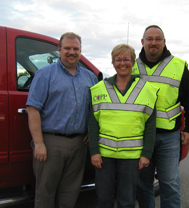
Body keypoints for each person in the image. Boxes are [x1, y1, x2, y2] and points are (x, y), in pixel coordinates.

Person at [26, 32, 98, 208]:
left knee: (70, 193)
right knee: (45, 193)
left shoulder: (90, 78)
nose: (71, 52)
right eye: (67, 48)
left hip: (79, 144)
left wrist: (90, 130)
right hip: (51, 144)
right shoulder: (45, 74)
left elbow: (94, 109)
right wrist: (39, 143)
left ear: (81, 51)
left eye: (76, 48)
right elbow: (33, 109)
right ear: (59, 50)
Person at [131, 25, 189, 208]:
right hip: (140, 136)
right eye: (149, 39)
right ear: (142, 42)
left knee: (170, 183)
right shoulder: (131, 66)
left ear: (164, 42)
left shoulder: (178, 65)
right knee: (143, 185)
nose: (154, 42)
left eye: (158, 39)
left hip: (168, 136)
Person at [88, 44, 159, 208]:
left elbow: (150, 126)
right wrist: (94, 152)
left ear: (133, 62)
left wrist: (146, 154)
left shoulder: (147, 90)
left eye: (126, 59)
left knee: (127, 201)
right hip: (104, 157)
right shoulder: (98, 89)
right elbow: (92, 124)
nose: (122, 63)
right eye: (118, 60)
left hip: (132, 158)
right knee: (104, 199)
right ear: (113, 62)